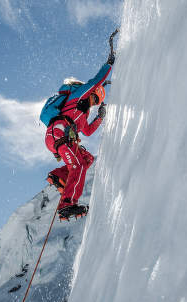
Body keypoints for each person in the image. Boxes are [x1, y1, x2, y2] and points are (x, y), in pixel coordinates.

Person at [45, 53, 115, 220]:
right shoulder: (76, 98)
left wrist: (99, 117)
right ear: (91, 94)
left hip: (61, 137)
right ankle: (67, 205)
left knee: (86, 159)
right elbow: (94, 82)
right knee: (78, 165)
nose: (93, 103)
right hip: (58, 132)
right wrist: (109, 65)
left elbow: (89, 131)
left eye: (96, 102)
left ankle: (59, 176)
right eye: (95, 99)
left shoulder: (81, 117)